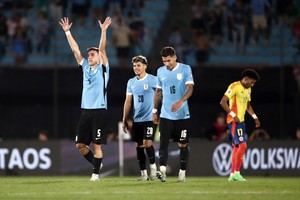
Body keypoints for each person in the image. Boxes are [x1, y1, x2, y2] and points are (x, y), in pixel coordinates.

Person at [59, 16, 112, 181]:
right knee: (80, 145)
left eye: (92, 54)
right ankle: (97, 164)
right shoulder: (85, 68)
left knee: (96, 145)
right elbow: (76, 50)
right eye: (89, 54)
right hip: (86, 112)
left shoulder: (103, 69)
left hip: (99, 111)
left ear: (98, 57)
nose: (89, 57)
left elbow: (102, 49)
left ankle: (95, 175)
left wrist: (103, 31)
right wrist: (68, 32)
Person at [152, 46, 194, 182]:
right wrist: (154, 110)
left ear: (175, 57)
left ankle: (182, 172)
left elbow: (190, 89)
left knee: (182, 145)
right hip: (165, 115)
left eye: (169, 60)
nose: (167, 64)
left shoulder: (185, 69)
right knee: (163, 143)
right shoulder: (160, 71)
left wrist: (180, 101)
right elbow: (158, 93)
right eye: (164, 61)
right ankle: (162, 171)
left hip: (182, 116)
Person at [220, 68, 261, 182]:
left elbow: (248, 106)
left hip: (241, 122)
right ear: (245, 79)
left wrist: (255, 117)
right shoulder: (234, 86)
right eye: (251, 82)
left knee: (237, 147)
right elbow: (223, 101)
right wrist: (233, 115)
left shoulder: (248, 90)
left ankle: (232, 174)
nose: (252, 85)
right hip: (233, 121)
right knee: (243, 145)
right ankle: (237, 173)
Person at [122, 55, 158, 181]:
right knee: (139, 146)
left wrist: (157, 111)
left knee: (147, 143)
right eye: (134, 65)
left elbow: (161, 95)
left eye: (139, 65)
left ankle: (153, 169)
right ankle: (143, 174)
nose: (136, 68)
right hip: (137, 119)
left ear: (145, 66)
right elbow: (128, 102)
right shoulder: (131, 82)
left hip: (150, 118)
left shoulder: (154, 80)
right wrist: (124, 119)